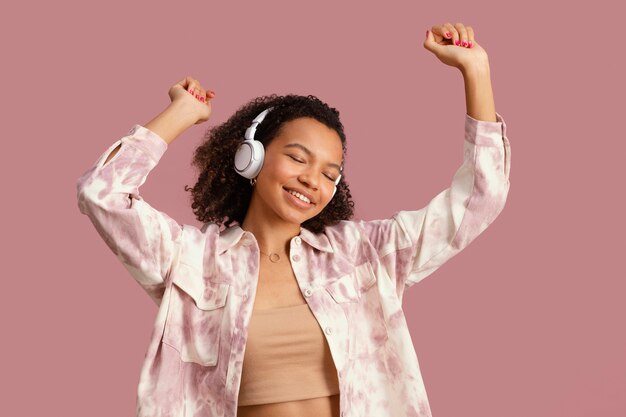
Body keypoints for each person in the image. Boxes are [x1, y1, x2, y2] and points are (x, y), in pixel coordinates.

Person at [76, 22, 511, 417]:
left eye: (329, 173)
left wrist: (476, 71)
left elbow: (479, 198)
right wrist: (181, 113)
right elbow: (102, 193)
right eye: (298, 158)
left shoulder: (364, 254)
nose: (312, 180)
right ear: (253, 158)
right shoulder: (191, 261)